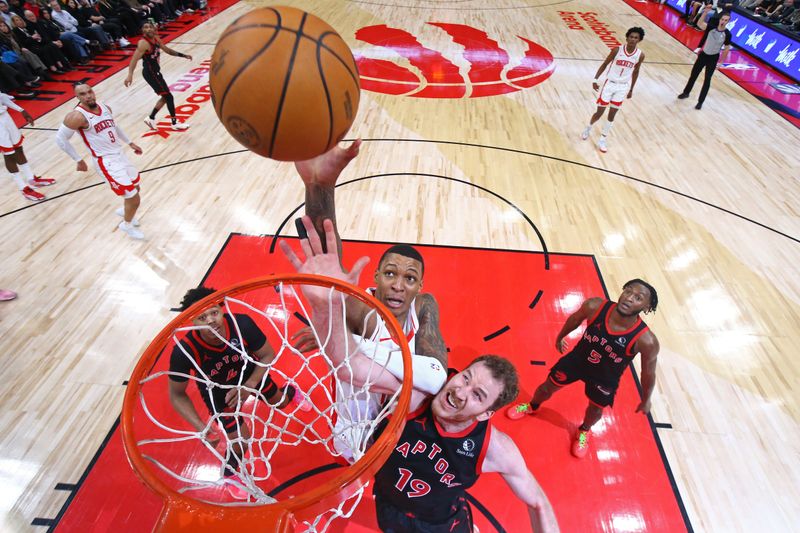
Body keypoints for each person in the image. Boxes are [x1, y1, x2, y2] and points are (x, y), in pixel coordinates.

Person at [280, 218, 560, 533]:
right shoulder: (414, 396)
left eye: (478, 395)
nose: (460, 391)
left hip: (443, 524)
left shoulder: (492, 446)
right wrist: (327, 310)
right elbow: (352, 367)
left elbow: (538, 502)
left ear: (487, 414)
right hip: (388, 502)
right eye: (465, 377)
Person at [292, 141, 449, 461]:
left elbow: (436, 374)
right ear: (375, 277)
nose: (398, 286)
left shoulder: (425, 305)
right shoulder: (360, 308)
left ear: (420, 286)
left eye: (409, 279)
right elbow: (325, 258)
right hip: (356, 426)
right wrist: (320, 187)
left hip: (403, 428)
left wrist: (343, 342)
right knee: (356, 470)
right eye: (390, 274)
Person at [167, 286, 312, 497]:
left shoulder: (241, 323)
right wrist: (200, 426)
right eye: (202, 317)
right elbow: (176, 394)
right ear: (192, 321)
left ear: (221, 308)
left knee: (279, 403)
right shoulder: (184, 351)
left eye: (214, 312)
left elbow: (267, 354)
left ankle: (291, 390)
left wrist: (250, 385)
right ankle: (231, 472)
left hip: (250, 374)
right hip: (218, 391)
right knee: (240, 439)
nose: (210, 320)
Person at [506, 280, 660, 459]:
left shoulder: (647, 341)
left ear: (646, 306)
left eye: (638, 298)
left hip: (605, 377)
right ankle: (532, 406)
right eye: (628, 292)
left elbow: (648, 372)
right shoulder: (595, 306)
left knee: (595, 410)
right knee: (546, 387)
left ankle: (584, 430)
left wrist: (646, 398)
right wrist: (561, 336)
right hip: (577, 361)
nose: (629, 299)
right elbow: (575, 319)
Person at [55, 82, 145, 239]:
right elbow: (61, 139)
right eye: (82, 94)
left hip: (120, 154)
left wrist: (130, 143)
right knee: (134, 198)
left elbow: (114, 127)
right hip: (106, 161)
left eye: (89, 91)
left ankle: (125, 211)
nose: (88, 95)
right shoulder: (76, 116)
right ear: (77, 97)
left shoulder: (104, 107)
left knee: (136, 188)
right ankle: (126, 225)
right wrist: (78, 159)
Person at [580, 27, 645, 153]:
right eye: (631, 37)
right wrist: (595, 80)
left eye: (636, 37)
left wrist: (631, 89)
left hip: (622, 87)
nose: (632, 39)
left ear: (639, 40)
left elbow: (636, 71)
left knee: (612, 115)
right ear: (627, 38)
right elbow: (605, 64)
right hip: (609, 85)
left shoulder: (640, 55)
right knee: (599, 112)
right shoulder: (617, 50)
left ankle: (603, 139)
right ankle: (589, 127)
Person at [123, 21, 191, 131]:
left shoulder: (156, 38)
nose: (148, 29)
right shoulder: (143, 43)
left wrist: (183, 55)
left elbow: (167, 50)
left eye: (150, 27)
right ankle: (174, 123)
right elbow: (134, 59)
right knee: (169, 97)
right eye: (145, 27)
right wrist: (130, 75)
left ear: (154, 29)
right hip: (150, 73)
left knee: (165, 97)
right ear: (142, 30)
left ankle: (151, 118)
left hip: (156, 72)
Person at [0, 91, 55, 201]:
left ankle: (31, 179)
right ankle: (23, 188)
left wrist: (21, 110)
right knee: (9, 154)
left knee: (18, 148)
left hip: (5, 117)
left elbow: (1, 97)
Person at [677, 12, 732, 110]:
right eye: (722, 19)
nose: (723, 21)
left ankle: (700, 102)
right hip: (703, 55)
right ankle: (686, 92)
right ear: (720, 19)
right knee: (694, 74)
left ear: (728, 22)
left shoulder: (727, 34)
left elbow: (727, 48)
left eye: (726, 20)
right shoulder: (711, 28)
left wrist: (721, 62)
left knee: (707, 80)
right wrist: (705, 12)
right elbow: (700, 23)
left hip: (713, 58)